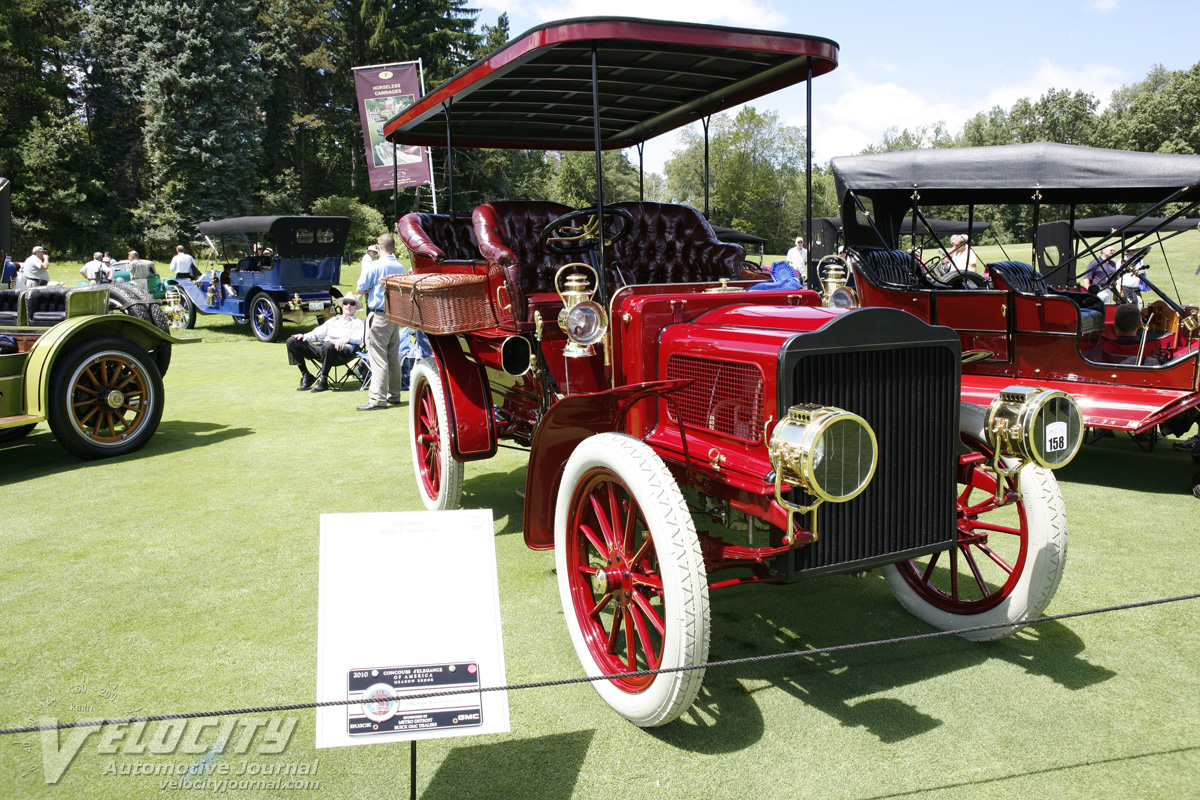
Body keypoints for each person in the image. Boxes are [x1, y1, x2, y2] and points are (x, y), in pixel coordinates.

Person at [355, 234, 417, 411]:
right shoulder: (399, 266)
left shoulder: (375, 266)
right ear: (394, 248)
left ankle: (377, 399)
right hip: (394, 316)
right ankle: (394, 394)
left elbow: (360, 287)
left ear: (378, 246)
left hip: (379, 315)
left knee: (378, 358)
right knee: (393, 357)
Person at [286, 295, 367, 392]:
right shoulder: (333, 320)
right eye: (345, 303)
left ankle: (323, 380)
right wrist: (304, 336)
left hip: (342, 352)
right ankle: (306, 375)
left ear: (356, 307)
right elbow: (317, 334)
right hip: (324, 348)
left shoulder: (358, 323)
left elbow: (360, 339)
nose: (348, 305)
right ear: (342, 305)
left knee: (328, 345)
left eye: (352, 303)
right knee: (292, 341)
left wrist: (347, 339)